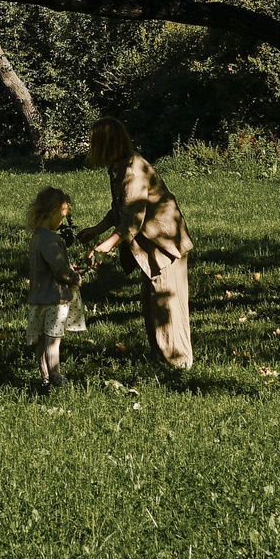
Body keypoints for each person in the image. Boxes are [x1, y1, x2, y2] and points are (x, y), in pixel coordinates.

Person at [76, 119, 195, 371]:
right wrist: (97, 230)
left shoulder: (133, 170)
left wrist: (106, 245)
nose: (90, 147)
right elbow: (120, 208)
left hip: (164, 244)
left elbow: (134, 218)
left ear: (106, 143)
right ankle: (159, 357)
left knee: (167, 304)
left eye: (94, 142)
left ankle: (177, 362)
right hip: (148, 245)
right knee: (151, 302)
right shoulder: (117, 168)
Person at [23, 185, 88, 391]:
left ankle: (45, 376)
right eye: (61, 216)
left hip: (38, 297)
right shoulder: (52, 240)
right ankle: (56, 376)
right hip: (54, 298)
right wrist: (75, 277)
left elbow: (48, 266)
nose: (62, 222)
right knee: (53, 340)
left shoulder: (36, 238)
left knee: (41, 340)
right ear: (53, 212)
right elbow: (59, 271)